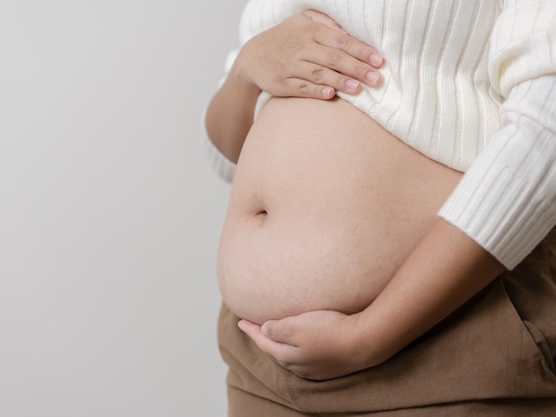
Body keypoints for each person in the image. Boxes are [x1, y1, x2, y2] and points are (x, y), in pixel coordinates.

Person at [203, 0, 556, 415]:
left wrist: (368, 336)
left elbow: (545, 131)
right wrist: (246, 69)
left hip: (441, 346)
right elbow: (229, 155)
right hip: (262, 367)